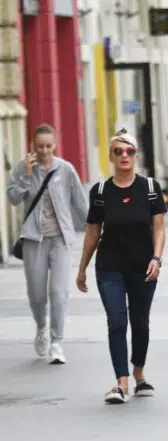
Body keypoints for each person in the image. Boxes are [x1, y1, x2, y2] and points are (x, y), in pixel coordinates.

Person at [76, 132, 166, 404]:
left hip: (143, 266)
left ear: (136, 155)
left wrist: (156, 259)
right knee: (116, 321)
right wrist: (82, 268)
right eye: (118, 152)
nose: (124, 156)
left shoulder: (150, 188)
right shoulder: (101, 192)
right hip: (110, 266)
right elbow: (93, 232)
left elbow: (159, 229)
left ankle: (139, 373)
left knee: (140, 323)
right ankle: (121, 383)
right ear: (111, 157)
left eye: (129, 151)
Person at [6, 124, 89, 364]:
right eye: (40, 146)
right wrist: (26, 176)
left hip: (60, 238)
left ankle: (56, 342)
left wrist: (95, 227)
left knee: (59, 292)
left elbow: (80, 203)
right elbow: (13, 198)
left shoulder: (65, 169)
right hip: (34, 239)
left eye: (48, 146)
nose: (44, 151)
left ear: (55, 145)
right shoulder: (24, 167)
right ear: (33, 145)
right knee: (36, 293)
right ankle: (42, 326)